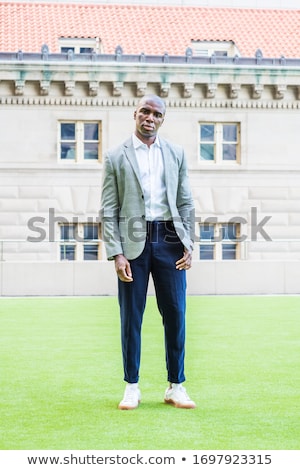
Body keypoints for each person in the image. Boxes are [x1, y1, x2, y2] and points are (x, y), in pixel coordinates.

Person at [101, 94, 196, 410]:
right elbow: (109, 208)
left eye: (156, 114)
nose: (150, 117)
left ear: (162, 119)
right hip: (132, 242)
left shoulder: (176, 153)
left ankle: (176, 385)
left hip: (170, 239)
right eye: (145, 111)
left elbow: (185, 202)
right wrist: (116, 253)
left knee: (176, 314)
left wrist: (189, 243)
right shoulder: (116, 156)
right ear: (135, 114)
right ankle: (132, 386)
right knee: (131, 317)